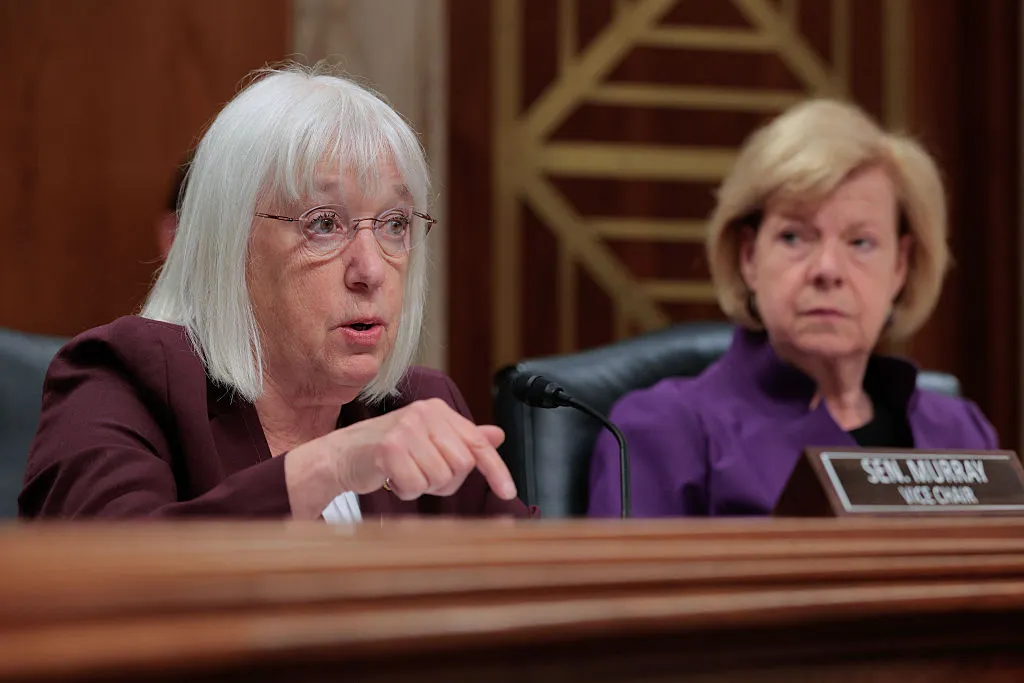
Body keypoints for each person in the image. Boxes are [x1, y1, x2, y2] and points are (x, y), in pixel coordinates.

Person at [20, 63, 534, 521]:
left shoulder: (417, 406)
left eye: (395, 223)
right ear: (229, 244)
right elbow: (113, 580)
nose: (372, 269)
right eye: (324, 224)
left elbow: (533, 596)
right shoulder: (124, 382)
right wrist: (333, 463)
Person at [588, 99, 998, 518]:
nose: (827, 270)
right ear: (749, 257)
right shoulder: (664, 430)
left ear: (899, 266)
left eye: (861, 243)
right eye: (795, 237)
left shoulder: (960, 432)